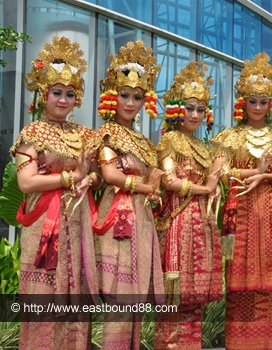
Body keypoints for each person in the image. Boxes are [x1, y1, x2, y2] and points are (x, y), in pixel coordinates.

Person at [12, 36, 99, 349]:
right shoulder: (31, 132)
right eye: (56, 93)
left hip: (77, 226)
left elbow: (96, 171)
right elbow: (27, 183)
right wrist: (70, 177)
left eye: (70, 94)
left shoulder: (84, 134)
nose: (63, 100)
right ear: (43, 94)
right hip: (43, 227)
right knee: (44, 296)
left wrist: (90, 178)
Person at [210, 52, 272, 350]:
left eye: (264, 101)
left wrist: (268, 178)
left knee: (268, 288)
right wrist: (255, 171)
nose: (258, 107)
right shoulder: (229, 136)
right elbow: (220, 172)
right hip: (242, 218)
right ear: (243, 102)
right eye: (253, 101)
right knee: (239, 285)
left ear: (271, 103)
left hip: (271, 218)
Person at [92, 40, 164, 349]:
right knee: (119, 296)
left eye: (137, 97)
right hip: (116, 218)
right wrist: (147, 186)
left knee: (134, 300)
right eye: (124, 95)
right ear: (112, 96)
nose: (130, 103)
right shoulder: (105, 133)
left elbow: (154, 179)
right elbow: (110, 175)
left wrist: (155, 191)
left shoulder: (146, 142)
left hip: (142, 219)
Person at [153, 61, 222, 349]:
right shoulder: (170, 140)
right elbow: (168, 181)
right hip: (179, 223)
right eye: (189, 108)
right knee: (175, 297)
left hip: (201, 226)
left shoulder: (205, 148)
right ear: (177, 110)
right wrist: (205, 188)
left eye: (200, 109)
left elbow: (213, 181)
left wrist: (215, 185)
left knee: (194, 302)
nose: (194, 114)